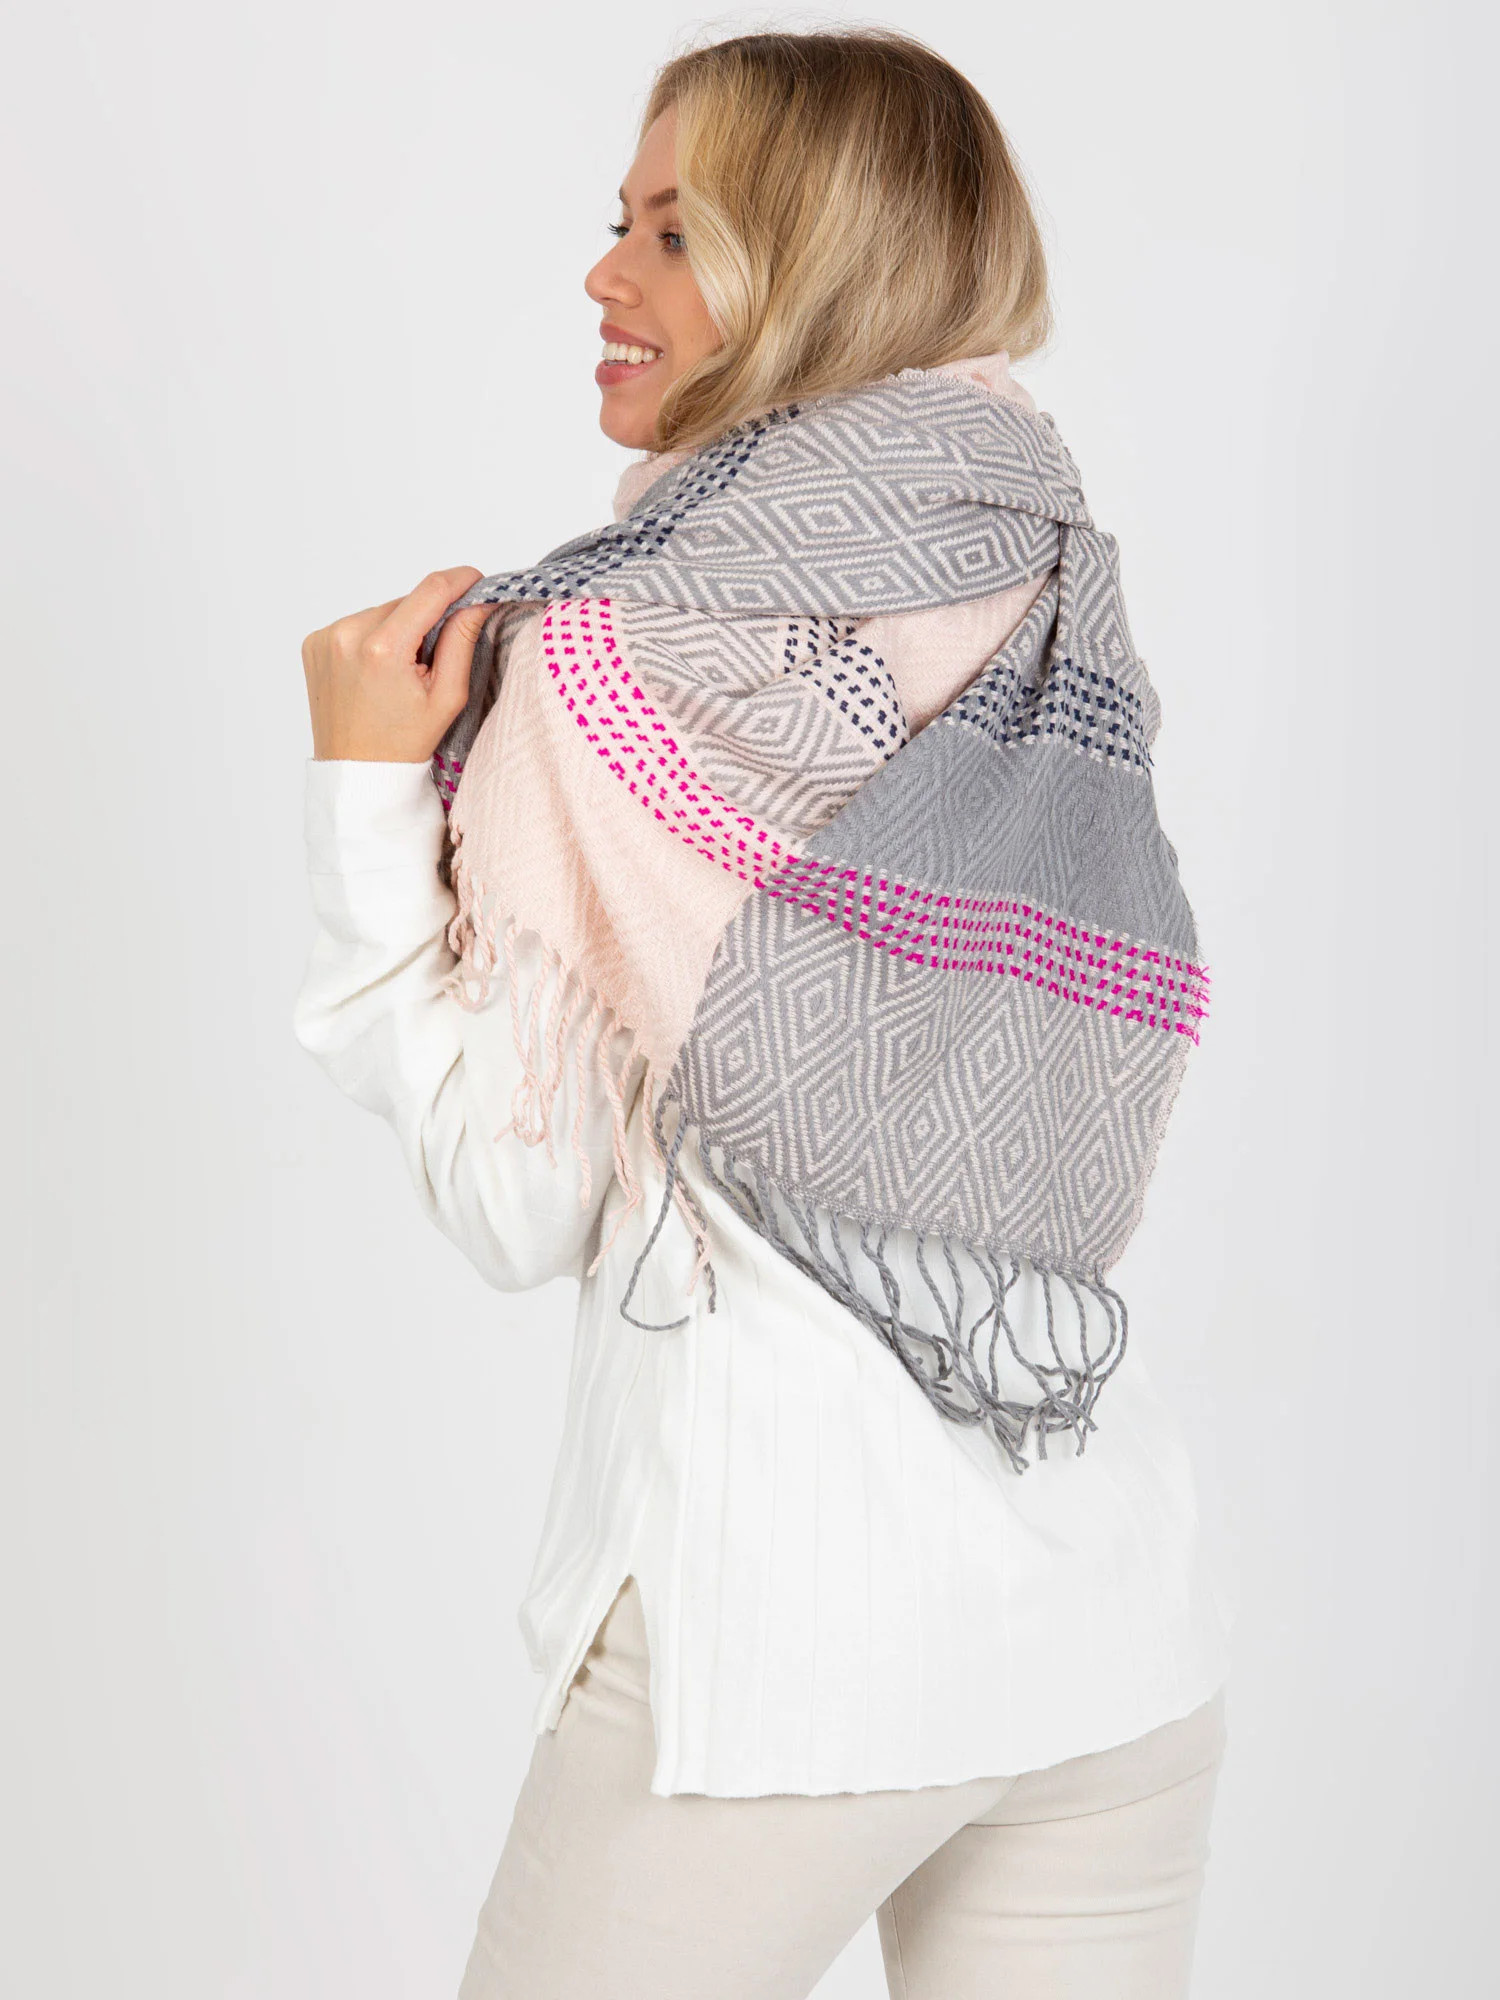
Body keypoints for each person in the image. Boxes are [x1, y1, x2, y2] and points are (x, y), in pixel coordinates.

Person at [294, 29, 1233, 1999]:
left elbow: (520, 1204)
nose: (602, 275)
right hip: (1107, 1614)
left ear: (816, 269)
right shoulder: (1041, 575)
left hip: (788, 1644)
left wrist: (373, 802)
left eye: (674, 232)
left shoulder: (611, 659)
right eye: (616, 222)